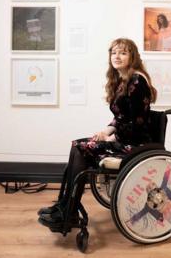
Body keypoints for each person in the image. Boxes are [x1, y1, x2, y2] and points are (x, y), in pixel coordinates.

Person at [38, 38, 158, 227]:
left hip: (134, 144)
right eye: (114, 52)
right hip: (124, 140)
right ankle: (65, 206)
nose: (117, 56)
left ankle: (68, 210)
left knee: (80, 148)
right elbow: (120, 117)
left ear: (132, 56)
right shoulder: (123, 80)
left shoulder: (136, 80)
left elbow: (137, 121)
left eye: (123, 53)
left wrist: (113, 137)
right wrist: (105, 132)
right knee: (77, 145)